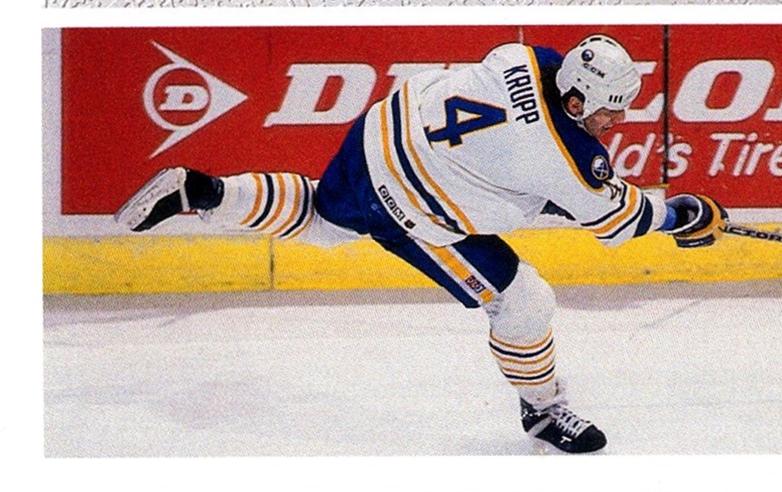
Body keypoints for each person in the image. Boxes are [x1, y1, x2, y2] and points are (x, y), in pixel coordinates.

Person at [115, 34, 728, 453]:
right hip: (409, 201)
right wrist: (683, 213)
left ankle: (207, 194)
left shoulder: (526, 54)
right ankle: (542, 410)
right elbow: (618, 221)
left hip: (380, 131)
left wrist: (530, 191)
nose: (616, 123)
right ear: (575, 99)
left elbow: (515, 151)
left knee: (327, 222)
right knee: (525, 302)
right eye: (610, 111)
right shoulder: (573, 156)